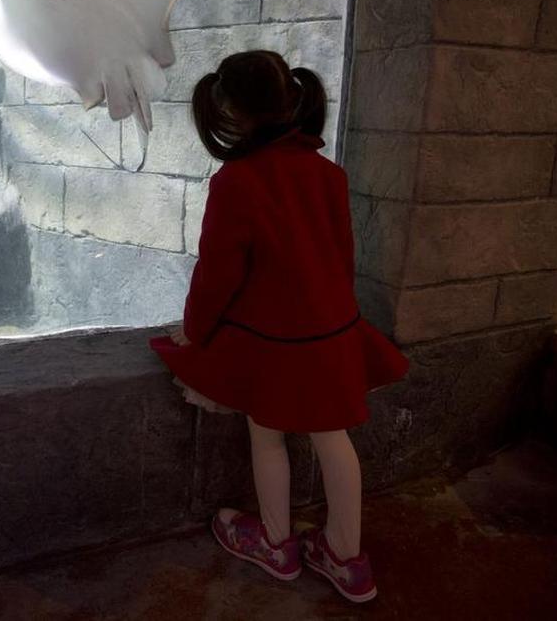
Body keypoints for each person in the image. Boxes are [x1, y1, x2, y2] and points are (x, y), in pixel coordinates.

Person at [149, 51, 408, 604]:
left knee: (266, 435)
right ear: (290, 100)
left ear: (232, 114)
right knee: (333, 439)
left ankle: (276, 543)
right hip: (330, 333)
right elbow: (341, 259)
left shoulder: (237, 183)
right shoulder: (328, 174)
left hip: (272, 348)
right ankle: (346, 558)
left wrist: (195, 330)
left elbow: (217, 272)